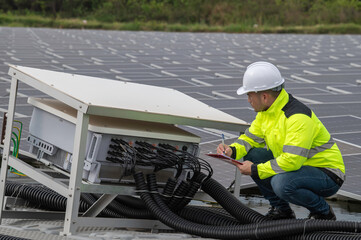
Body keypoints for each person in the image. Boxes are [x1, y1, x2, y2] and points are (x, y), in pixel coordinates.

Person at [217, 61, 345, 220]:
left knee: (281, 183)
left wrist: (256, 170)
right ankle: (282, 211)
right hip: (300, 167)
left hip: (327, 174)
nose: (248, 100)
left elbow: (292, 161)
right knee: (254, 155)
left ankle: (323, 213)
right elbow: (250, 139)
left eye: (249, 95)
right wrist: (231, 150)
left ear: (264, 96)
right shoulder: (267, 112)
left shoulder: (297, 117)